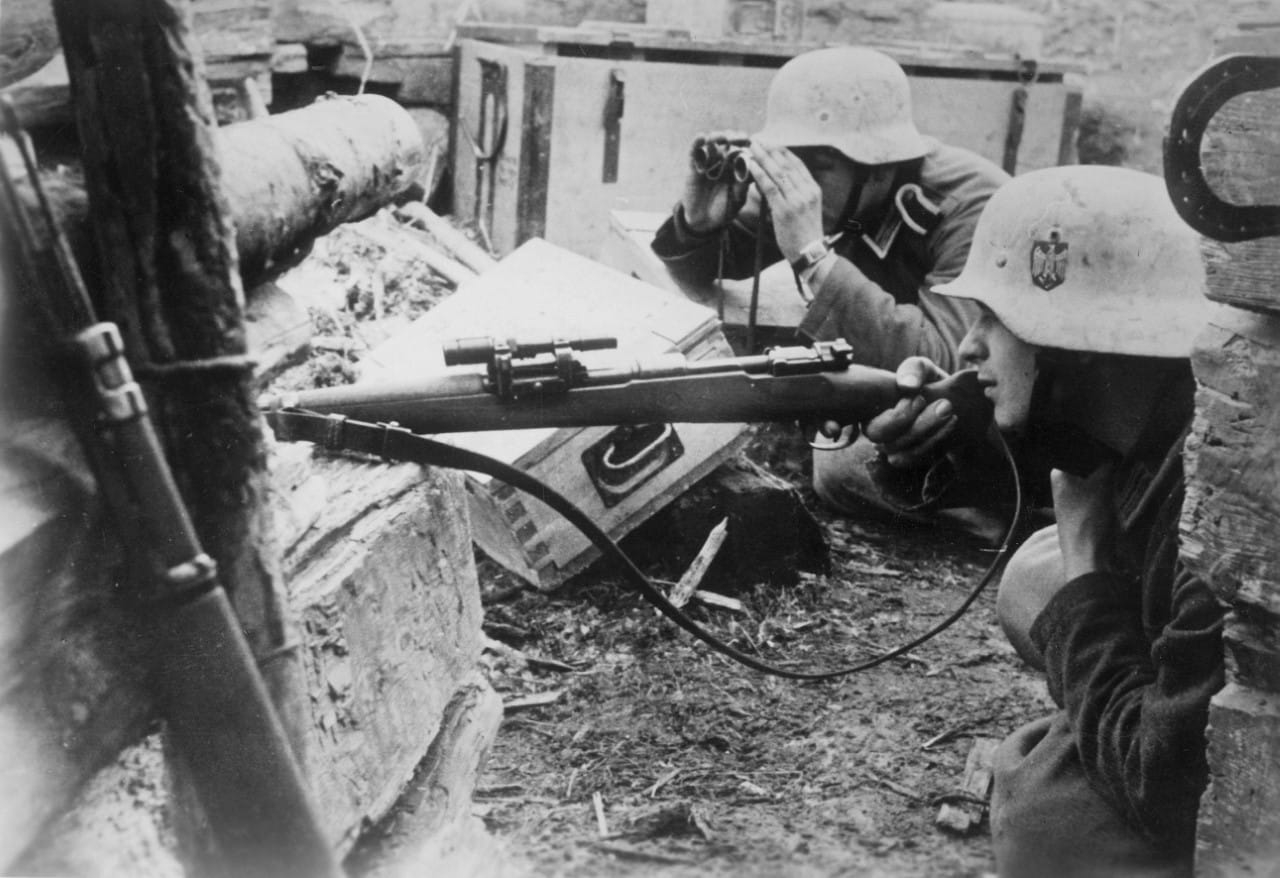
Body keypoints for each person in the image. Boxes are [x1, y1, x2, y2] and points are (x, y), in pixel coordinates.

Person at [865, 164, 1225, 877]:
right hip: (1179, 669)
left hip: (1213, 769)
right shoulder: (1155, 409)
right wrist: (929, 439)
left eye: (996, 320)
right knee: (1032, 579)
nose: (968, 348)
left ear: (1079, 342)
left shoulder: (1218, 520)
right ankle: (1118, 701)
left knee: (1048, 822)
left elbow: (1166, 789)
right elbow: (1047, 447)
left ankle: (1111, 721)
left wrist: (1087, 561)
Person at [649, 46, 1011, 527]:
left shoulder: (974, 204)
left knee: (842, 467)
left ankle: (1002, 512)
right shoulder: (841, 187)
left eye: (814, 163)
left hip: (994, 405)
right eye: (787, 159)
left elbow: (949, 365)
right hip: (904, 383)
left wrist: (812, 256)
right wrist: (699, 223)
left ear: (879, 165)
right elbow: (708, 272)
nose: (794, 180)